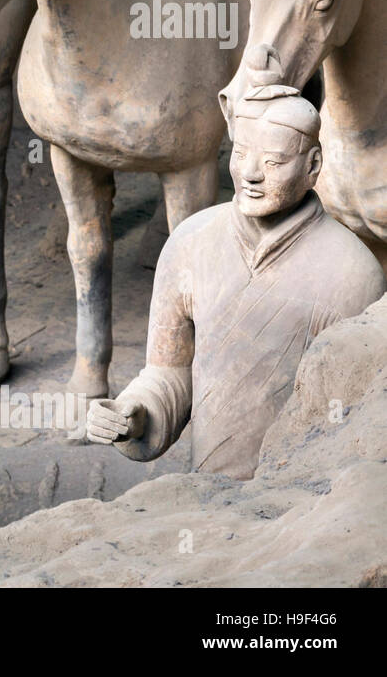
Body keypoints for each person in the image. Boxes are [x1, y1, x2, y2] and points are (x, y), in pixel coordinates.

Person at [87, 47, 387, 478]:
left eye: (273, 162)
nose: (250, 173)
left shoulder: (354, 275)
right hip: (208, 499)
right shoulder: (190, 243)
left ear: (313, 165)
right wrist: (135, 412)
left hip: (298, 504)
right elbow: (169, 375)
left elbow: (354, 428)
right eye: (240, 154)